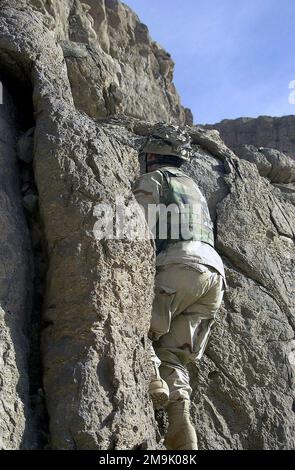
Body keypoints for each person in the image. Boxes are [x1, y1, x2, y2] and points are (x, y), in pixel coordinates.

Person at [133, 123, 225, 450]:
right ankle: (179, 419)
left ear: (153, 154)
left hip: (177, 265)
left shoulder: (154, 180)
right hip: (213, 277)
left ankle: (154, 378)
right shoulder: (194, 188)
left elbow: (133, 229)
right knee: (174, 353)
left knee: (137, 323)